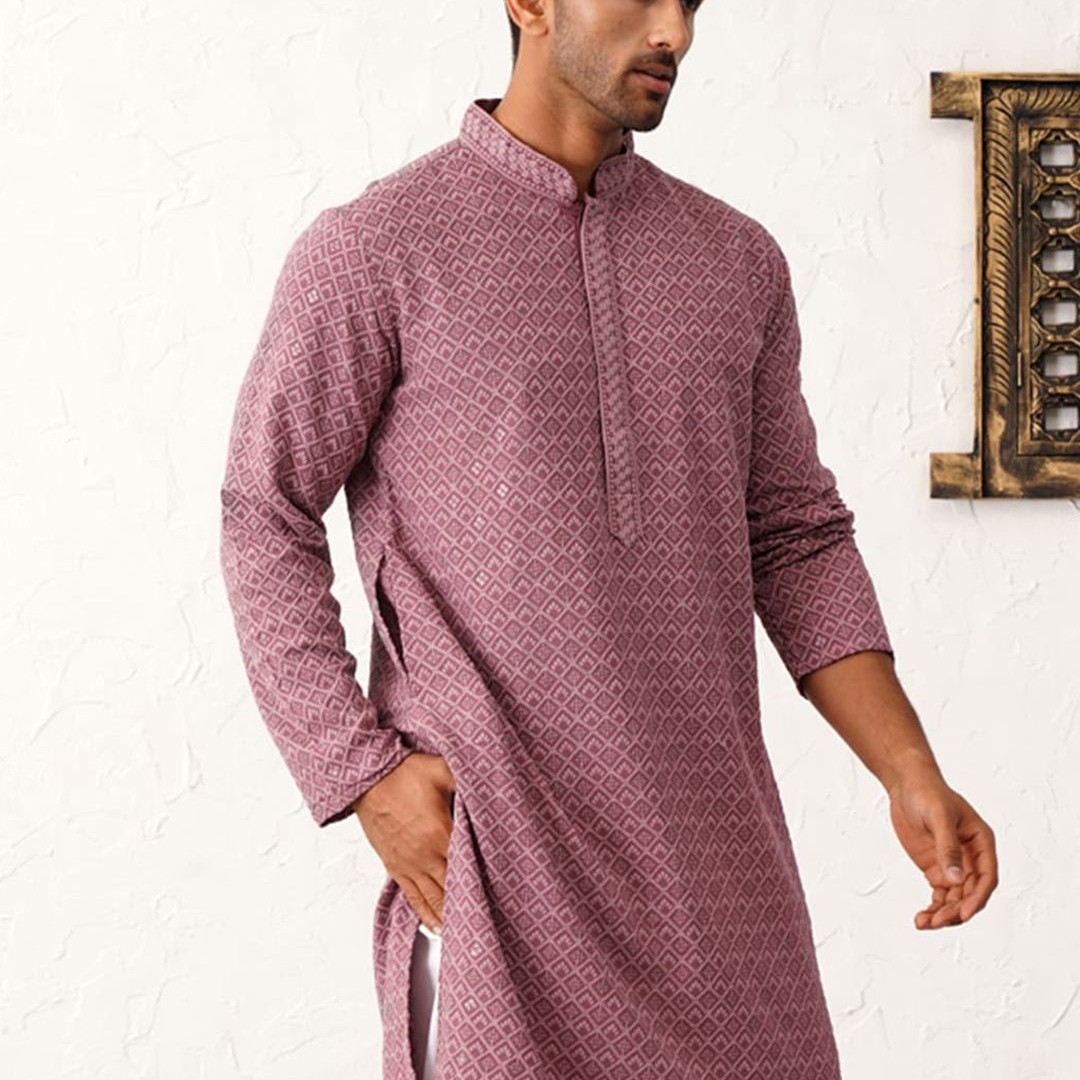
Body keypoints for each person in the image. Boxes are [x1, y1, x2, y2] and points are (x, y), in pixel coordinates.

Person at [218, 1, 999, 1077]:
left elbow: (796, 537)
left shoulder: (735, 262)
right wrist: (358, 774)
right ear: (529, 4)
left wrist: (908, 769)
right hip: (505, 885)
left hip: (728, 897)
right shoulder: (376, 251)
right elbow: (263, 510)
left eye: (693, 2)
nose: (674, 30)